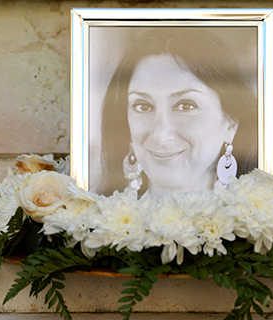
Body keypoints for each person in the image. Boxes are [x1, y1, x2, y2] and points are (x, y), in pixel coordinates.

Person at [98, 27, 257, 196]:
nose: (160, 135)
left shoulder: (270, 217)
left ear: (231, 123)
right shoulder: (90, 216)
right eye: (143, 107)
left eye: (186, 106)